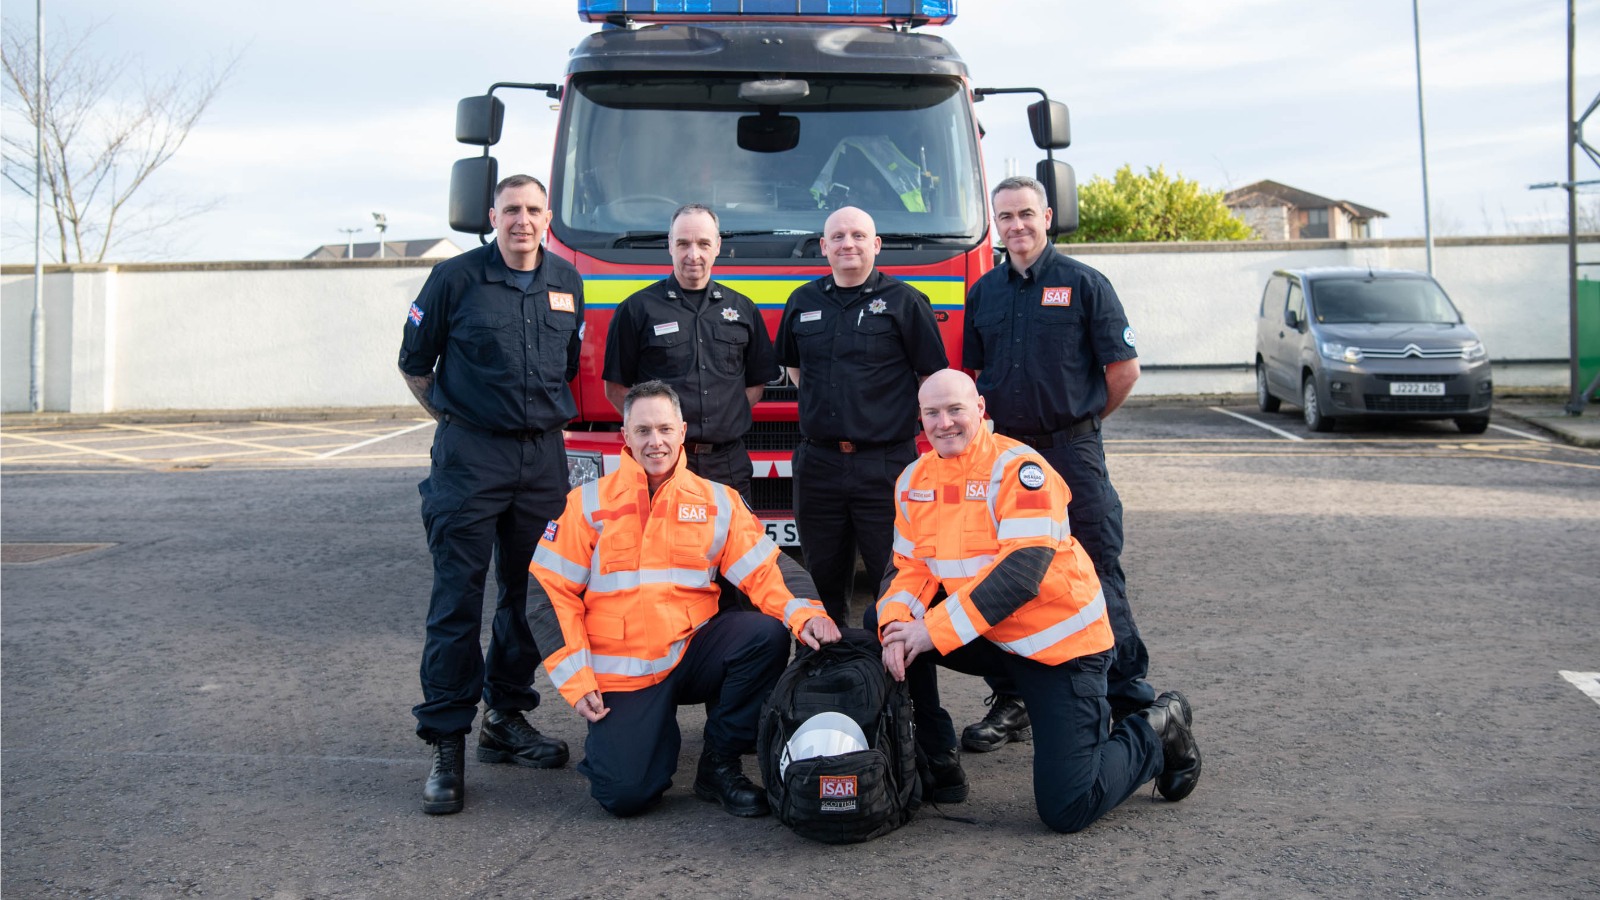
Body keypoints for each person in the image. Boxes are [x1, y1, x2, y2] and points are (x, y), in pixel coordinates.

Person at [874, 369, 1200, 833]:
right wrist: (895, 625)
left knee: (1068, 806)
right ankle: (936, 759)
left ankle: (1158, 728)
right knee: (885, 623)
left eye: (955, 410)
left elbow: (1022, 573)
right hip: (995, 637)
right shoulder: (913, 479)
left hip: (1059, 649)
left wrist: (932, 630)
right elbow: (911, 568)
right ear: (921, 418)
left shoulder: (1020, 470)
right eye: (932, 413)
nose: (944, 422)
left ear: (981, 410)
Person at [525, 381, 842, 818]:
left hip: (692, 651)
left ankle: (719, 764)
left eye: (664, 429)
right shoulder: (586, 505)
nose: (655, 442)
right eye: (643, 431)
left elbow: (766, 567)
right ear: (625, 436)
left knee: (764, 634)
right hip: (625, 672)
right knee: (625, 796)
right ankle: (645, 739)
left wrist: (806, 614)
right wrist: (577, 681)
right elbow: (548, 591)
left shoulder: (717, 501)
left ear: (682, 432)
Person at [398, 174, 581, 815]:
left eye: (533, 210)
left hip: (542, 456)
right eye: (510, 210)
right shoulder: (454, 280)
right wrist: (461, 421)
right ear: (492, 217)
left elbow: (565, 366)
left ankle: (504, 718)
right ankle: (446, 741)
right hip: (471, 456)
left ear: (547, 216)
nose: (522, 221)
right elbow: (415, 365)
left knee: (532, 593)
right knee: (457, 598)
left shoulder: (566, 280)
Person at [958, 174, 1156, 754]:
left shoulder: (1085, 284)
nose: (1015, 225)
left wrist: (1082, 423)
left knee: (1095, 566)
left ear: (1047, 216)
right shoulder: (985, 293)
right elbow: (975, 376)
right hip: (1008, 456)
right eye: (1005, 217)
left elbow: (1123, 372)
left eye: (1025, 214)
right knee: (999, 570)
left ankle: (1124, 696)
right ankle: (1015, 696)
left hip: (1071, 450)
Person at [773, 206, 947, 625]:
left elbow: (932, 378)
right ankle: (823, 683)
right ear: (824, 247)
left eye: (857, 235)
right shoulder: (802, 302)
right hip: (820, 467)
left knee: (899, 582)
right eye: (837, 237)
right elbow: (797, 371)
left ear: (876, 245)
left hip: (885, 465)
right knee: (821, 584)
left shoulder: (906, 302)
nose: (847, 244)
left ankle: (906, 689)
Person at [602, 203, 778, 502]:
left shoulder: (743, 308)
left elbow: (754, 386)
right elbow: (616, 389)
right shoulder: (636, 310)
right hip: (664, 466)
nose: (693, 254)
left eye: (703, 244)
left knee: (734, 547)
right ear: (669, 245)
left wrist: (724, 418)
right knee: (666, 548)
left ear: (717, 247)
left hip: (728, 464)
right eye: (683, 243)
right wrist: (655, 436)